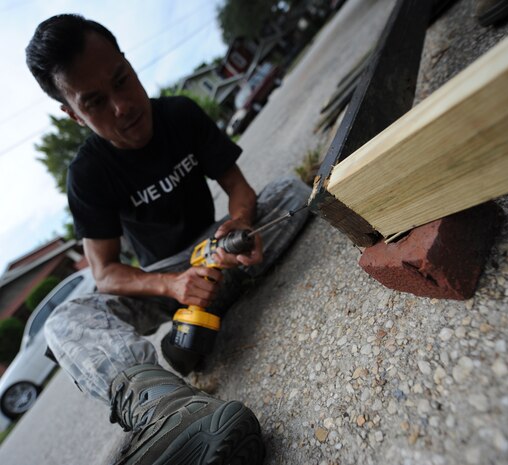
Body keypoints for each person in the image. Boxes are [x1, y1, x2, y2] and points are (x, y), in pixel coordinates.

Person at [25, 14, 311, 465]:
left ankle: (210, 302)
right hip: (162, 279)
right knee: (64, 321)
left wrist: (237, 225)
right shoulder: (86, 174)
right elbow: (105, 274)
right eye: (96, 102)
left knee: (290, 193)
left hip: (215, 249)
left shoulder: (180, 114)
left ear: (129, 62)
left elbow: (240, 189)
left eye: (122, 80)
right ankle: (163, 408)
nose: (122, 106)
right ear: (72, 113)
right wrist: (173, 285)